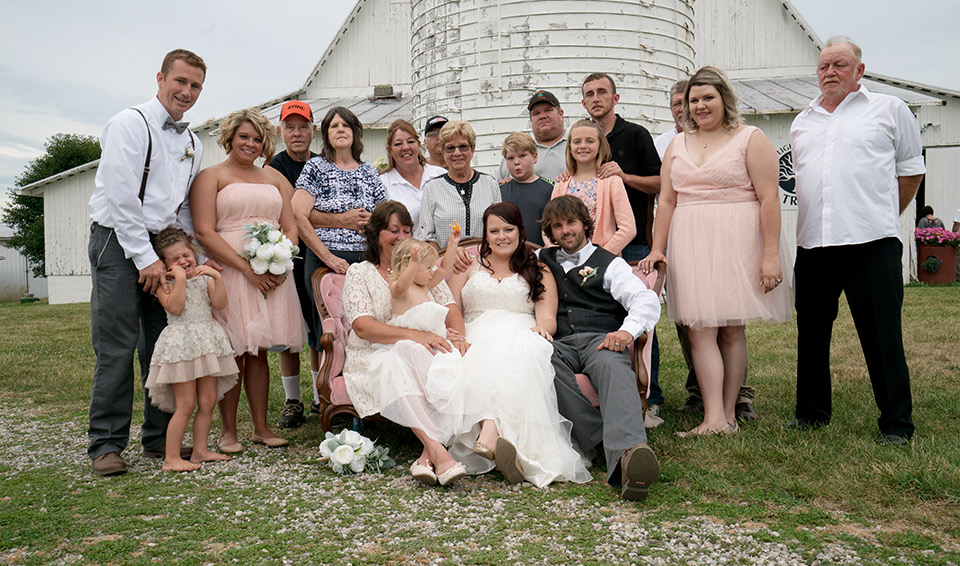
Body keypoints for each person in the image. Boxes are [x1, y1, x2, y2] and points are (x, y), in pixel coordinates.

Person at [787, 37, 925, 444]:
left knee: (882, 334)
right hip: (813, 243)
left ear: (859, 70)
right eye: (824, 66)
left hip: (872, 242)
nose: (830, 72)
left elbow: (910, 170)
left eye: (840, 65)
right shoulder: (802, 121)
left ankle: (896, 422)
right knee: (811, 332)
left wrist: (880, 213)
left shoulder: (889, 110)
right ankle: (811, 413)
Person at [640, 66, 791, 437]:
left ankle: (727, 416)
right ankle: (712, 417)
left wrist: (770, 255)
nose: (700, 106)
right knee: (699, 328)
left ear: (725, 99)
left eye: (708, 97)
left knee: (731, 329)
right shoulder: (677, 145)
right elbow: (668, 202)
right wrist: (658, 248)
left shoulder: (750, 138)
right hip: (690, 238)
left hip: (737, 237)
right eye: (694, 100)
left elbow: (770, 197)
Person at [86, 49, 207, 477]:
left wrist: (191, 258)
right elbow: (121, 198)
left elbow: (184, 209)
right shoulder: (129, 124)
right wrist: (144, 257)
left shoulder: (193, 142)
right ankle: (105, 444)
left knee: (163, 345)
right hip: (118, 242)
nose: (186, 92)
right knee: (117, 344)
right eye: (180, 82)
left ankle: (159, 437)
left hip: (164, 243)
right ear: (160, 78)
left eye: (195, 86)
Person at [190, 108, 305, 453]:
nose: (250, 144)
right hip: (232, 272)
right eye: (244, 137)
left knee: (258, 353)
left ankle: (261, 427)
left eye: (257, 139)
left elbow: (291, 224)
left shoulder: (271, 179)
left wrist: (281, 262)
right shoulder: (211, 176)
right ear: (229, 138)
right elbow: (204, 231)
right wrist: (246, 268)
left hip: (271, 274)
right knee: (233, 352)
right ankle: (228, 432)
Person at [539, 195, 661, 500]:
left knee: (613, 366)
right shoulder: (542, 258)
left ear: (584, 224)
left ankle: (628, 461)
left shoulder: (610, 263)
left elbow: (644, 299)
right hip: (560, 343)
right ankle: (601, 441)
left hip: (600, 339)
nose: (565, 230)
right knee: (538, 361)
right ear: (551, 232)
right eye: (557, 226)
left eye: (570, 222)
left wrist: (626, 332)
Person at [341, 200, 471, 486]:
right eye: (393, 230)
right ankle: (439, 451)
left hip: (425, 346)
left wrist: (457, 336)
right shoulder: (360, 273)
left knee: (440, 360)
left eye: (407, 230)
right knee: (397, 359)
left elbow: (450, 307)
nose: (401, 237)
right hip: (374, 351)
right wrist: (418, 336)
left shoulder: (424, 270)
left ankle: (426, 456)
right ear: (375, 235)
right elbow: (363, 326)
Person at [581, 72, 665, 421]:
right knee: (598, 315)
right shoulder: (582, 137)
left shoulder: (635, 135)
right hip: (590, 246)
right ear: (583, 102)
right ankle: (603, 393)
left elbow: (661, 182)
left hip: (633, 244)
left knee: (640, 317)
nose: (596, 98)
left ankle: (652, 395)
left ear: (616, 98)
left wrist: (624, 176)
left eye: (602, 92)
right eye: (589, 94)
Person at [144, 227, 238, 471]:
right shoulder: (164, 284)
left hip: (206, 343)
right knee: (185, 404)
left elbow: (219, 304)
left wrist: (216, 278)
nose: (183, 262)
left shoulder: (204, 279)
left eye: (186, 255)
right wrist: (181, 279)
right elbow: (175, 308)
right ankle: (171, 458)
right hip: (182, 346)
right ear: (164, 265)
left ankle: (200, 450)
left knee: (207, 401)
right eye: (174, 259)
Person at [266, 100, 319, 430]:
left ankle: (319, 395)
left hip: (315, 252)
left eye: (303, 126)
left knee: (317, 327)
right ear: (281, 131)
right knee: (289, 330)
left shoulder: (322, 164)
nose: (297, 133)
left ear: (313, 129)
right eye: (290, 127)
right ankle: (292, 401)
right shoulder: (273, 168)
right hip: (287, 254)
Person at [550, 120, 636, 256]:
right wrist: (553, 251)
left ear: (600, 145)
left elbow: (629, 229)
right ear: (570, 147)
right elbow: (549, 226)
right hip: (567, 261)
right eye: (577, 142)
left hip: (603, 262)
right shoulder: (561, 183)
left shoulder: (612, 181)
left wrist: (599, 257)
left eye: (590, 141)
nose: (583, 146)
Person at [419, 120, 501, 252]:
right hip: (447, 263)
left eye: (463, 147)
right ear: (443, 152)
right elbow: (427, 236)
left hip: (486, 260)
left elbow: (499, 228)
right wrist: (449, 257)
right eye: (450, 148)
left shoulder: (490, 183)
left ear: (472, 149)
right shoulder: (432, 188)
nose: (457, 153)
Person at [379, 119, 447, 233]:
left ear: (418, 145)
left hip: (444, 249)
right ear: (389, 150)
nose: (405, 147)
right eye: (398, 144)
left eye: (410, 142)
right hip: (406, 250)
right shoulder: (382, 184)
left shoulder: (441, 175)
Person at [498, 90, 568, 182]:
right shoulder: (519, 149)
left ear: (561, 114)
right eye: (536, 113)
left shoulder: (577, 143)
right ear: (531, 119)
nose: (542, 116)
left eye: (548, 110)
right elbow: (496, 188)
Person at [498, 132, 554, 246]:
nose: (516, 162)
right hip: (508, 254)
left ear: (535, 157)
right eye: (510, 158)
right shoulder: (499, 191)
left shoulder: (550, 189)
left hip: (541, 253)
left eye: (522, 156)